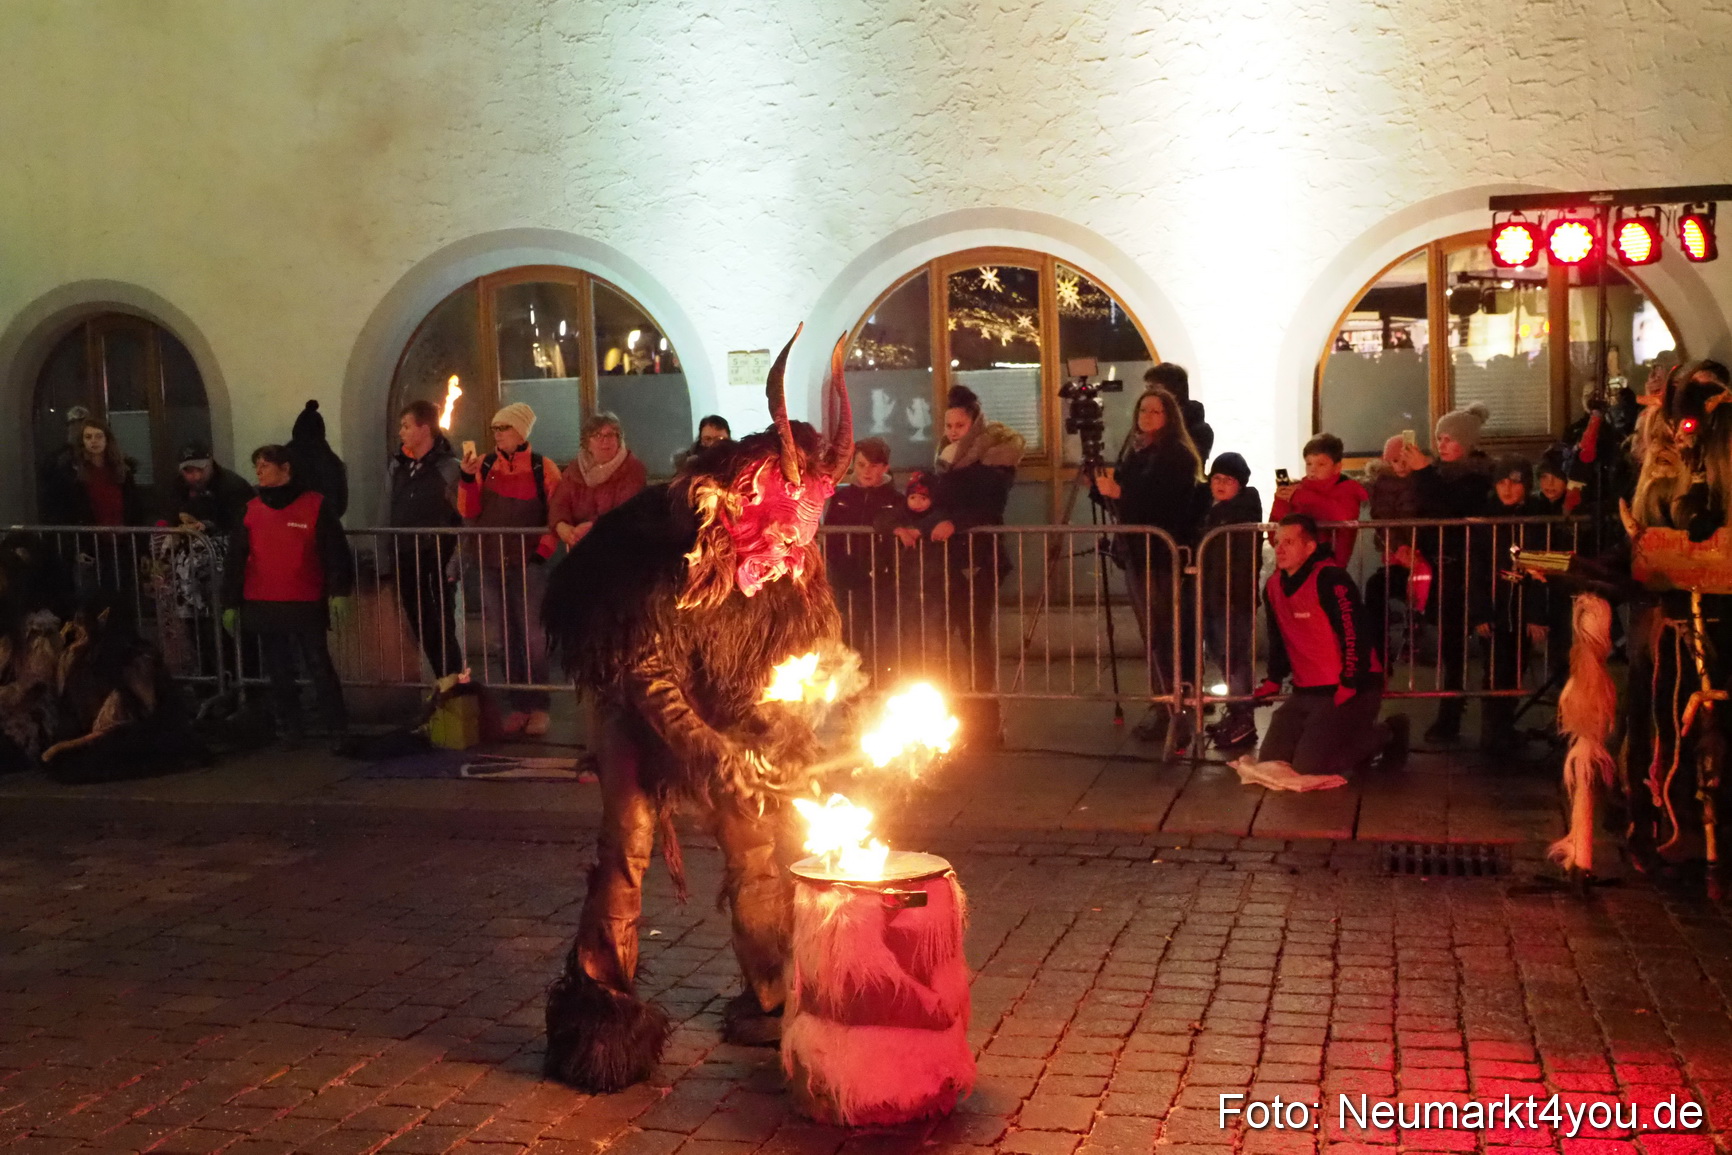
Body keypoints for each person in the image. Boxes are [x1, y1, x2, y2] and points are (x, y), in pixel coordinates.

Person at [541, 331, 855, 1091]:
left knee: (754, 840)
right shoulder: (667, 548)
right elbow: (647, 672)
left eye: (799, 541)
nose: (789, 552)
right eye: (779, 534)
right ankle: (602, 1015)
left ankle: (770, 995)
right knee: (629, 839)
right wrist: (708, 747)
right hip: (639, 698)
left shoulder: (790, 566)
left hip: (729, 702)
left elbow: (808, 659)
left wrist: (793, 729)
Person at [1252, 514, 1405, 777]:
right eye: (1278, 542)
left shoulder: (1331, 579)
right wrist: (1274, 679)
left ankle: (1389, 732)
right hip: (1307, 690)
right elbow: (1278, 637)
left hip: (1350, 686)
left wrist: (1350, 681)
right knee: (1271, 762)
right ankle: (1334, 739)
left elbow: (1355, 632)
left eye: (1289, 542)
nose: (1279, 548)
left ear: (1310, 547)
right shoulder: (1274, 586)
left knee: (1311, 766)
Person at [223, 445, 353, 749]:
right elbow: (236, 559)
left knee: (317, 664)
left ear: (286, 468)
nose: (259, 471)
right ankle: (291, 727)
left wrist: (338, 591)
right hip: (263, 599)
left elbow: (335, 552)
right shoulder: (251, 509)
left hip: (304, 598)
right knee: (278, 669)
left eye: (265, 465)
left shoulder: (315, 506)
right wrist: (230, 602)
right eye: (257, 466)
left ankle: (336, 726)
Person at [1094, 384, 1203, 744]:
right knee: (1152, 633)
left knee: (1165, 633)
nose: (1147, 418)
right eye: (1143, 412)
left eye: (1156, 412)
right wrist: (1102, 486)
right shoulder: (1136, 452)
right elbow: (1124, 503)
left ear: (1169, 416)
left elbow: (1163, 503)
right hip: (1137, 553)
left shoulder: (1177, 456)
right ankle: (1163, 702)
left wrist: (1121, 493)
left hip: (1161, 554)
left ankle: (1176, 707)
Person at [459, 402, 563, 737]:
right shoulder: (484, 465)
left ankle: (539, 705)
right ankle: (517, 705)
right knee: (505, 638)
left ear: (520, 431)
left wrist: (540, 556)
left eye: (503, 428)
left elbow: (556, 515)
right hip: (491, 563)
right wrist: (466, 477)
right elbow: (468, 509)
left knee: (532, 637)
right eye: (494, 429)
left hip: (526, 566)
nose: (497, 435)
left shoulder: (542, 468)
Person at [927, 384, 1023, 747]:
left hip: (979, 557)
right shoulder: (947, 456)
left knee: (975, 634)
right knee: (949, 634)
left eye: (959, 425)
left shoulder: (994, 455)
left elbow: (988, 502)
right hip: (950, 558)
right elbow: (937, 498)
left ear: (974, 424)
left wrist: (955, 518)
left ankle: (985, 716)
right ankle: (957, 710)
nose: (952, 432)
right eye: (949, 425)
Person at [1400, 402, 1494, 743]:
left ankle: (1493, 717)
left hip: (1472, 569)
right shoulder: (1438, 475)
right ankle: (1450, 713)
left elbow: (1450, 507)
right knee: (1450, 646)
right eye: (1439, 437)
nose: (1441, 444)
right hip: (1445, 568)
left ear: (1466, 443)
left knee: (1485, 646)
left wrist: (1424, 473)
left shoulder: (1477, 477)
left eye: (1450, 439)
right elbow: (1429, 515)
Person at [1469, 456, 1547, 754]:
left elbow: (1542, 571)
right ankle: (1492, 734)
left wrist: (1536, 614)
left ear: (1526, 485)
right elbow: (1476, 569)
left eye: (1515, 482)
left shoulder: (1537, 517)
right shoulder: (1486, 519)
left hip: (1523, 606)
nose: (1508, 489)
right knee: (1494, 673)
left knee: (1516, 669)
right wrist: (1479, 612)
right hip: (1495, 606)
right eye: (1502, 482)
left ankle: (1505, 729)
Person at [156, 442, 254, 676]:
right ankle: (208, 676)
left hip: (220, 568)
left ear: (210, 463)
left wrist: (210, 527)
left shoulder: (232, 486)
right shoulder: (179, 486)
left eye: (199, 469)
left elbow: (242, 525)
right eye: (188, 471)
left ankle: (234, 676)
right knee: (196, 628)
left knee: (222, 629)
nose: (194, 476)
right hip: (189, 578)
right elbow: (170, 512)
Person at [387, 399, 464, 678]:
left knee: (441, 627)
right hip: (406, 556)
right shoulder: (399, 467)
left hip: (435, 558)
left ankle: (454, 688)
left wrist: (454, 562)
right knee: (420, 624)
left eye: (406, 426)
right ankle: (442, 687)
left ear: (424, 428)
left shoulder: (448, 469)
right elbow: (390, 509)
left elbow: (462, 517)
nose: (401, 432)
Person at [1196, 452, 1262, 752]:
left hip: (1232, 598)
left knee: (1235, 656)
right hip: (1213, 595)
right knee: (1222, 654)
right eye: (1217, 479)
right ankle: (1236, 711)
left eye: (1228, 480)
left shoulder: (1239, 512)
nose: (1221, 484)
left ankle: (1242, 714)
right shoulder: (1212, 511)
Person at [823, 437, 902, 674]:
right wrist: (840, 566)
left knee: (883, 640)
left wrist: (888, 568)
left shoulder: (896, 501)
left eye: (874, 465)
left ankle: (883, 687)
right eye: (862, 465)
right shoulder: (842, 499)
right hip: (848, 581)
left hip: (883, 582)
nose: (867, 471)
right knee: (849, 639)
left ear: (885, 468)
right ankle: (850, 696)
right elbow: (831, 537)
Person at [549, 413, 649, 550]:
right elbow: (559, 504)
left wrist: (590, 528)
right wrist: (562, 527)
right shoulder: (574, 469)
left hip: (621, 550)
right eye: (597, 435)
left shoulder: (632, 469)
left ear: (618, 439)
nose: (605, 441)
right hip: (583, 551)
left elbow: (625, 510)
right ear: (587, 443)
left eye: (610, 435)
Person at [1271, 433, 1367, 568]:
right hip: (1291, 570)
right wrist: (1281, 502)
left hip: (1329, 569)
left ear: (1337, 467)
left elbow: (1343, 518)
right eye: (1308, 463)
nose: (1312, 469)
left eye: (1321, 464)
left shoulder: (1348, 488)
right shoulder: (1297, 490)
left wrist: (1302, 497)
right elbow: (1274, 535)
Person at [40, 417, 143, 528]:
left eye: (99, 436)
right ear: (82, 441)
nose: (94, 441)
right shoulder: (72, 472)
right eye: (88, 437)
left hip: (122, 535)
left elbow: (134, 505)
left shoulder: (122, 470)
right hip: (89, 536)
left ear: (107, 439)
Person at [286, 399, 349, 520]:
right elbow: (341, 503)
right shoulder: (331, 460)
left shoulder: (287, 457)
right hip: (327, 525)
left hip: (294, 525)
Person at [1145, 363, 1213, 462]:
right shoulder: (1146, 422)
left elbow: (1185, 466)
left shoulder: (1198, 430)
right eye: (1147, 388)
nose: (1148, 394)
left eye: (1153, 388)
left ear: (1173, 392)